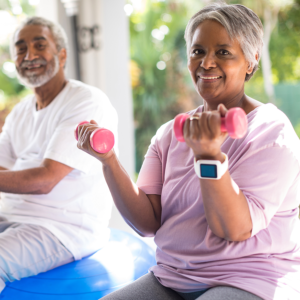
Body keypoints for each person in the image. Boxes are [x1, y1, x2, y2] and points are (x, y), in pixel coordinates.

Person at [77, 3, 300, 300]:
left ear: (250, 60)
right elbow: (147, 222)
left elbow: (233, 228)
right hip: (173, 277)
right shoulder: (171, 133)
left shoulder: (271, 132)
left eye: (223, 52)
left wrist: (209, 156)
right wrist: (109, 161)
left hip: (249, 277)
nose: (206, 63)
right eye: (197, 51)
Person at [0, 16, 118, 292]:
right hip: (12, 217)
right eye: (20, 48)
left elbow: (45, 180)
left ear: (62, 55)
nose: (29, 55)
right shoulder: (20, 112)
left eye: (39, 45)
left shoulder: (86, 101)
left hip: (62, 228)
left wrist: (17, 178)